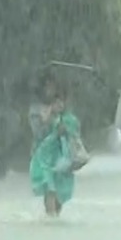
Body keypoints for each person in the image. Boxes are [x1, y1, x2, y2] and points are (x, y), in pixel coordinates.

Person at [29, 84, 85, 217]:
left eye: (61, 102)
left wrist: (65, 130)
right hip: (45, 158)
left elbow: (75, 135)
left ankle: (54, 217)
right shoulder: (42, 117)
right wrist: (47, 122)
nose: (59, 105)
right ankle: (50, 217)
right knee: (50, 188)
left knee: (59, 192)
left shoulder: (69, 119)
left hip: (62, 158)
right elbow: (38, 136)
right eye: (56, 102)